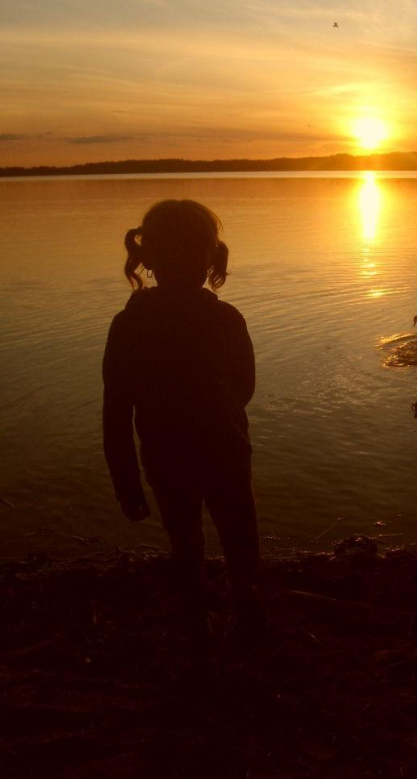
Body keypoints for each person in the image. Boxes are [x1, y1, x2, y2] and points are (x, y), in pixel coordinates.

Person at [103, 199, 262, 630]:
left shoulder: (129, 324)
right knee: (240, 539)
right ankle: (243, 609)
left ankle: (200, 616)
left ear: (147, 258)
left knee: (186, 542)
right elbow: (244, 388)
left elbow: (116, 413)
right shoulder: (225, 319)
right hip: (224, 450)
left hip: (167, 456)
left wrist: (126, 482)